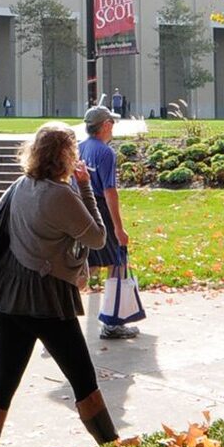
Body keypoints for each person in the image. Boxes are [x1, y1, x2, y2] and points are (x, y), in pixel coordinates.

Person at [0, 122, 120, 447]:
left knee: (2, 386)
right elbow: (98, 237)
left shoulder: (20, 186)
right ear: (68, 155)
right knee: (83, 380)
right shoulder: (61, 194)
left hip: (7, 296)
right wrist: (85, 188)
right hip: (47, 299)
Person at [79, 106, 139, 340]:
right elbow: (110, 191)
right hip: (101, 210)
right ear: (104, 125)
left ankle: (55, 314)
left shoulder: (80, 148)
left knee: (87, 264)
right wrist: (118, 227)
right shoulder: (106, 153)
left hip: (83, 209)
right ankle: (113, 323)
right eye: (111, 123)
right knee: (117, 262)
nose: (113, 127)